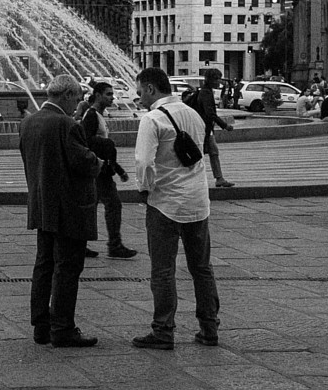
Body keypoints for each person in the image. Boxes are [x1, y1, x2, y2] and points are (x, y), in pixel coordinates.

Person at [129, 66, 219, 348]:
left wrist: (144, 189)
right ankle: (209, 328)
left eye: (140, 91)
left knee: (163, 270)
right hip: (197, 202)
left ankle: (163, 331)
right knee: (201, 267)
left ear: (152, 89)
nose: (138, 97)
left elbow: (144, 162)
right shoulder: (193, 114)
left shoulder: (152, 119)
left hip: (166, 203)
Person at [18, 74, 102, 348]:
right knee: (67, 268)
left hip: (42, 204)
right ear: (65, 95)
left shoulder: (28, 122)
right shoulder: (66, 125)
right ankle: (63, 327)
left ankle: (41, 326)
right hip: (69, 208)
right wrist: (99, 161)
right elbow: (83, 162)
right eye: (76, 99)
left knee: (44, 265)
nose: (77, 106)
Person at [79, 81, 138, 260]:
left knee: (95, 207)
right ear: (97, 95)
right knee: (111, 205)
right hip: (98, 171)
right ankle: (113, 245)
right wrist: (108, 145)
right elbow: (86, 141)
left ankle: (82, 244)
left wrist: (118, 169)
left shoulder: (97, 115)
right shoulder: (91, 115)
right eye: (108, 94)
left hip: (102, 170)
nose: (112, 97)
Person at [186, 69, 237, 191]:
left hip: (205, 129)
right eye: (217, 79)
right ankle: (195, 180)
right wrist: (225, 125)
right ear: (211, 80)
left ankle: (219, 178)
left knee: (213, 152)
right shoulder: (206, 93)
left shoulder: (206, 91)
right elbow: (210, 114)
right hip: (203, 129)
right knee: (201, 154)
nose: (219, 81)